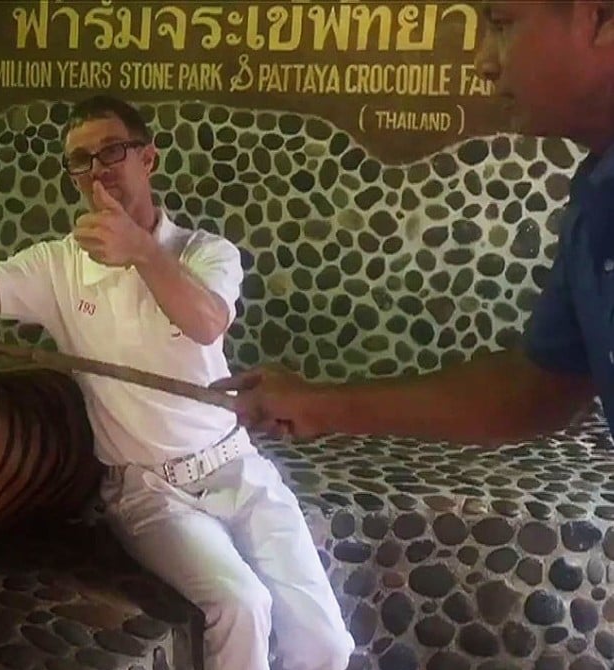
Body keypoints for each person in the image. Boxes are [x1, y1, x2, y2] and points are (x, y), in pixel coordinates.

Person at [0, 94, 355, 670]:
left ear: (147, 158)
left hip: (237, 470)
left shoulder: (206, 252)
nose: (97, 168)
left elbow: (205, 323)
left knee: (327, 643)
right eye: (80, 159)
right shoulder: (58, 265)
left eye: (112, 150)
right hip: (148, 494)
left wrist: (142, 251)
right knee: (241, 604)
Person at [214, 1, 614, 446]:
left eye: (502, 25)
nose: (484, 62)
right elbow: (534, 390)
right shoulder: (596, 198)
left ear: (601, 18)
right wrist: (317, 403)